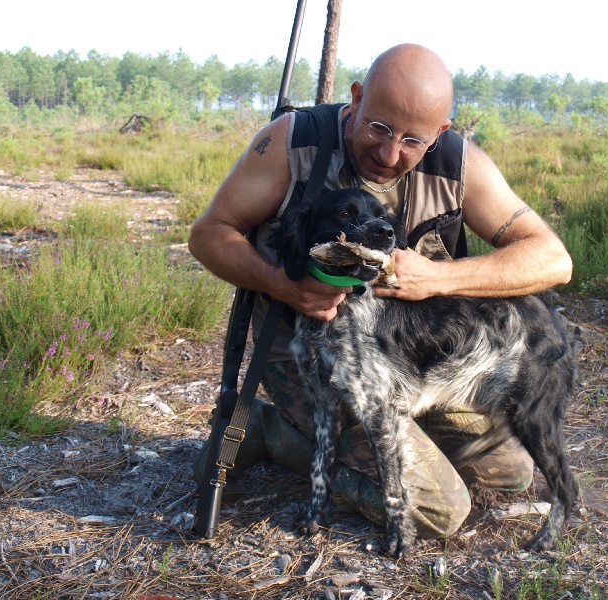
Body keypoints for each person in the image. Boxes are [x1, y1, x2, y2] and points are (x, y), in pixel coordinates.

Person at [188, 44, 572, 539]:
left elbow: (552, 259)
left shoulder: (458, 165)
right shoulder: (294, 142)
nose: (390, 154)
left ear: (441, 133)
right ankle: (274, 430)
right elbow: (208, 234)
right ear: (356, 99)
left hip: (410, 361)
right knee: (436, 510)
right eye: (379, 128)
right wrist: (284, 286)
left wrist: (438, 278)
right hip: (310, 357)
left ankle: (350, 434)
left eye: (412, 140)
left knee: (511, 473)